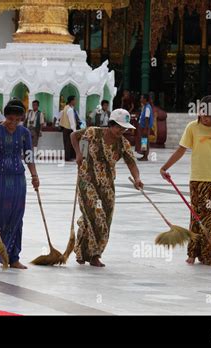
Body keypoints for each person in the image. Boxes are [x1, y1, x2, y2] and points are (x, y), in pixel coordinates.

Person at [160, 95, 211, 267]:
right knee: (196, 216)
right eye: (202, 113)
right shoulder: (192, 128)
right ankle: (193, 253)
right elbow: (181, 150)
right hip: (197, 180)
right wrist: (165, 167)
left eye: (208, 115)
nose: (204, 117)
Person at [70, 109, 144, 267]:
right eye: (119, 127)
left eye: (124, 128)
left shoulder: (123, 143)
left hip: (107, 185)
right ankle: (93, 254)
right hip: (87, 181)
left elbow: (131, 162)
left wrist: (137, 178)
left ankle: (86, 252)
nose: (121, 131)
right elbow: (74, 136)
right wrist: (78, 154)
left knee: (103, 219)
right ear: (110, 124)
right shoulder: (93, 133)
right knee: (97, 216)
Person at [0, 99, 40, 269]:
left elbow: (29, 157)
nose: (13, 123)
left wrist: (34, 175)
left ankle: (13, 257)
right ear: (5, 116)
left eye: (17, 120)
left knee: (17, 216)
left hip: (18, 178)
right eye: (10, 119)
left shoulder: (24, 133)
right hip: (0, 177)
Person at [59, 95, 82, 161]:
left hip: (65, 129)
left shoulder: (65, 108)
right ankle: (69, 157)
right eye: (75, 100)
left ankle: (68, 157)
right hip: (69, 129)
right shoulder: (70, 110)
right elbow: (72, 121)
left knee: (67, 143)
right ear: (71, 101)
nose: (76, 101)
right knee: (70, 144)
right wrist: (75, 131)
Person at [136, 93, 153, 161]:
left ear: (145, 99)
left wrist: (145, 129)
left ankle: (145, 156)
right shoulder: (145, 106)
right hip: (143, 127)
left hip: (144, 127)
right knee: (144, 141)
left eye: (142, 98)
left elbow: (147, 118)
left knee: (145, 141)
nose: (141, 99)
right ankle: (144, 155)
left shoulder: (147, 108)